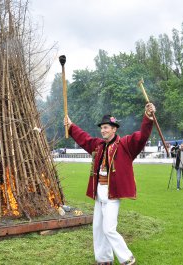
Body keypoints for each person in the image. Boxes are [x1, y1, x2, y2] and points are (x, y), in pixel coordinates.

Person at [64, 103, 156, 265]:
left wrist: (148, 117)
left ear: (114, 129)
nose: (103, 130)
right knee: (98, 229)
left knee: (108, 229)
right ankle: (104, 259)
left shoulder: (126, 144)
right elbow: (83, 138)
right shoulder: (98, 145)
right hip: (99, 193)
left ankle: (127, 258)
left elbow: (142, 136)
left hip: (113, 193)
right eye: (102, 128)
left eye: (106, 127)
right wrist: (70, 126)